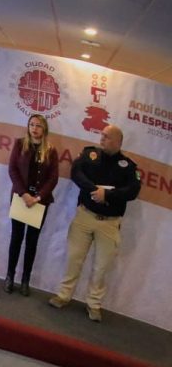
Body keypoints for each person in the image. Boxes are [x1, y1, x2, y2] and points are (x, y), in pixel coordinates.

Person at [48, 125, 141, 322]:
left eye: (106, 137)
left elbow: (132, 191)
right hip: (84, 217)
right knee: (74, 258)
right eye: (102, 135)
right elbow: (76, 172)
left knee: (101, 267)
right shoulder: (90, 155)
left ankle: (94, 304)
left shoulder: (128, 166)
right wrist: (94, 190)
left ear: (118, 142)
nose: (101, 139)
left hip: (109, 224)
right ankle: (63, 295)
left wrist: (107, 194)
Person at [5, 114, 59, 296]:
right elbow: (12, 170)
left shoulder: (51, 151)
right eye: (31, 125)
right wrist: (24, 194)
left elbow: (53, 178)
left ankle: (25, 280)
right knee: (16, 238)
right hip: (20, 199)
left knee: (32, 241)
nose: (34, 128)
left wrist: (38, 197)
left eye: (38, 126)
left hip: (39, 203)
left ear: (44, 129)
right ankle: (10, 276)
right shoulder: (20, 144)